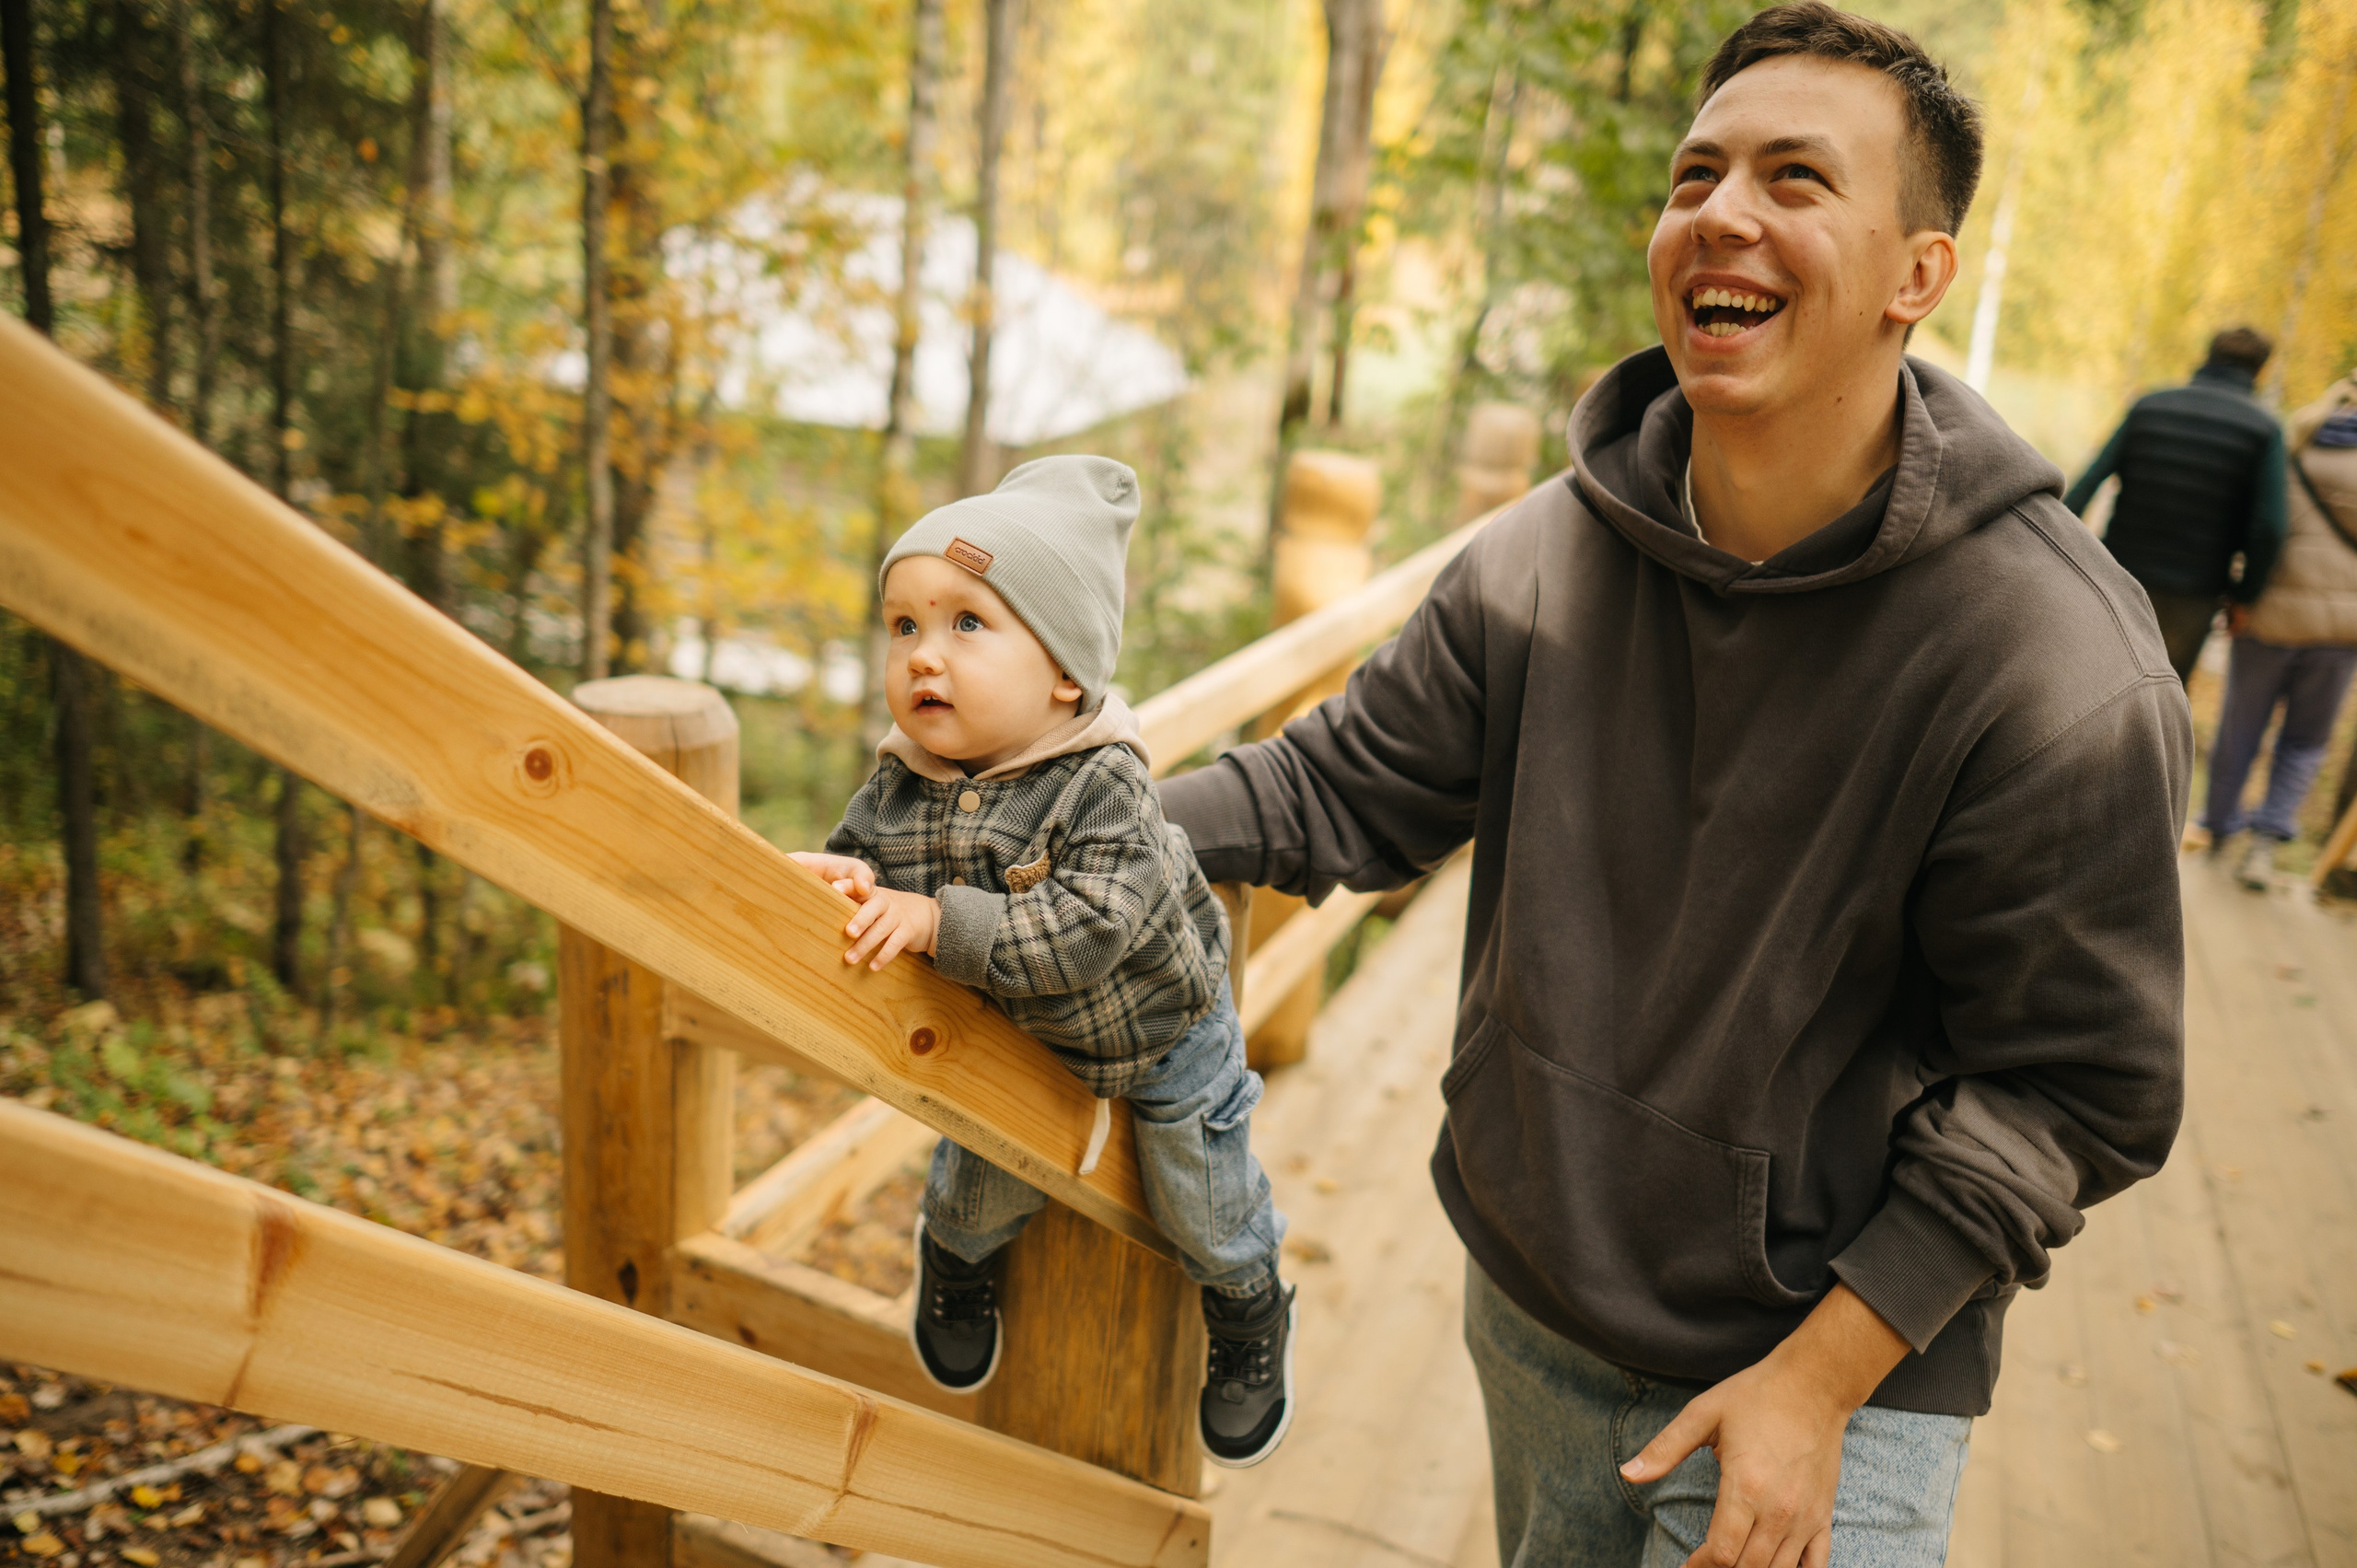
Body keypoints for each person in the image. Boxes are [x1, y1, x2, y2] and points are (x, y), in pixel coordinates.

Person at [1160, 6, 2190, 1564]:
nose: (1721, 211)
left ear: (1918, 275)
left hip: (1844, 1365)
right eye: (1696, 174)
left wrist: (1820, 1377)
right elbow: (1337, 790)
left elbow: (2081, 1083)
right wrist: (1035, 825)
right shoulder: (1545, 553)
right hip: (1536, 1305)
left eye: (1795, 179)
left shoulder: (2055, 663)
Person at [787, 455, 1296, 1469]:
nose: (924, 657)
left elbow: (1087, 928)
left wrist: (933, 919)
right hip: (1020, 1035)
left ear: (1065, 671)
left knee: (1200, 1193)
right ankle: (955, 1258)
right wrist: (843, 879)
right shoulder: (902, 781)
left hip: (1163, 1023)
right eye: (904, 625)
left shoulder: (1105, 784)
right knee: (980, 1179)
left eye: (967, 624)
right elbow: (868, 862)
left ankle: (1249, 1301)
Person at [2064, 326, 2290, 683]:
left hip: (2117, 575)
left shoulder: (2149, 406)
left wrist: (2063, 557)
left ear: (2208, 357)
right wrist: (2244, 596)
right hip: (2194, 593)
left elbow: (2087, 483)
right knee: (2162, 697)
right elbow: (2269, 527)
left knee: (2087, 683)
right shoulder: (2263, 429)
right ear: (2259, 370)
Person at [2202, 372, 2357, 889]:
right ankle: (2265, 847)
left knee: (2240, 728)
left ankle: (2219, 829)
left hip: (2270, 617)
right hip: (2343, 631)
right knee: (2306, 740)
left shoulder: (2290, 447)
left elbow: (2263, 528)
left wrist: (2241, 596)